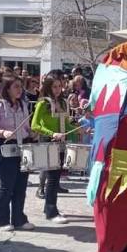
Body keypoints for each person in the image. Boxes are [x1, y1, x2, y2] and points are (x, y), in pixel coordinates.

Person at [0, 77, 34, 231]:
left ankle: (19, 219)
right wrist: (2, 132)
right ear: (7, 89)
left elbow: (26, 127)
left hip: (22, 146)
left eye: (21, 87)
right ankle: (1, 221)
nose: (20, 89)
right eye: (16, 86)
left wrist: (32, 133)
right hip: (5, 147)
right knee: (7, 186)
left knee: (21, 185)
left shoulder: (23, 105)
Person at [30, 75, 71, 224]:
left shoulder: (63, 103)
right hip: (48, 142)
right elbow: (34, 125)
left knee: (55, 177)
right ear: (48, 87)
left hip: (60, 144)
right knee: (53, 178)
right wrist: (52, 133)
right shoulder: (43, 103)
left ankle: (49, 207)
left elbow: (66, 126)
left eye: (59, 86)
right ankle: (51, 212)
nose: (58, 89)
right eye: (54, 86)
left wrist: (78, 130)